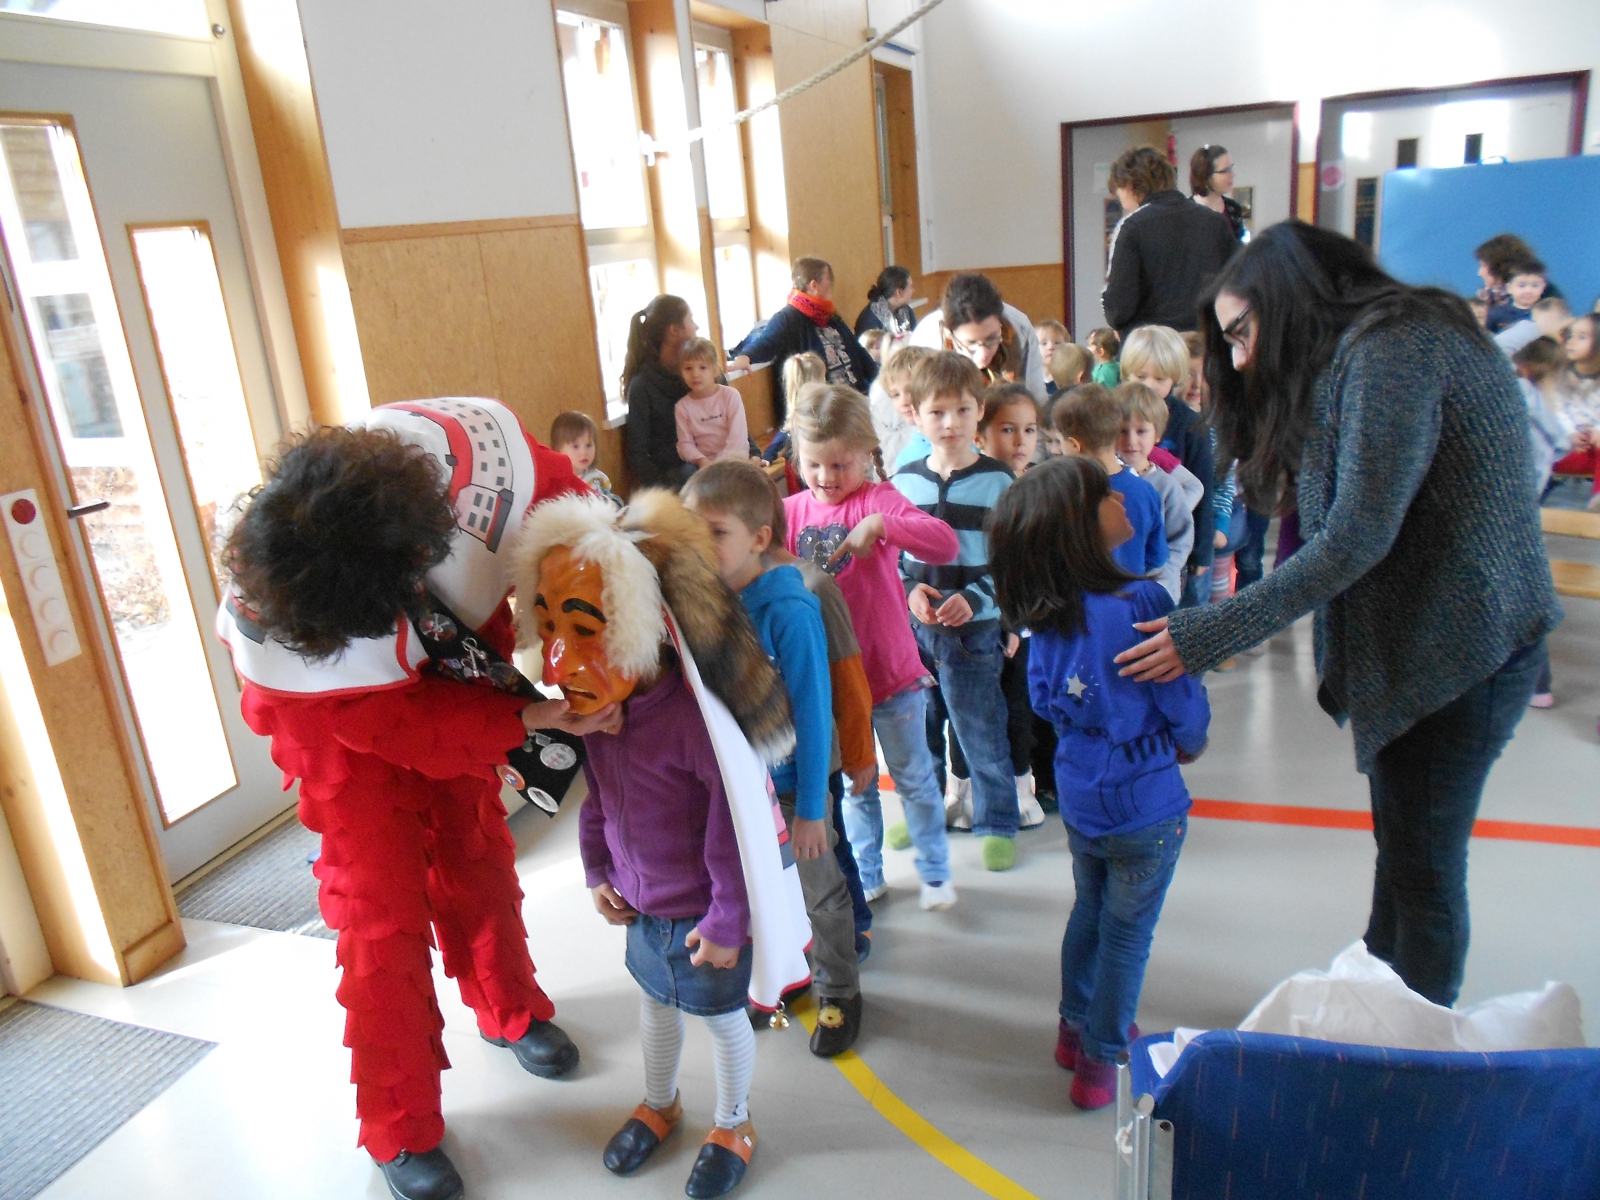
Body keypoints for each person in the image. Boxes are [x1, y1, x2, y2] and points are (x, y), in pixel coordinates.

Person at [1116, 222, 1561, 1009]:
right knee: (1407, 856)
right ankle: (1385, 1002)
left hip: (1464, 651)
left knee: (1423, 870)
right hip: (1436, 643)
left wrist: (1207, 631)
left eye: (1243, 333)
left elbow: (1355, 536)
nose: (1239, 357)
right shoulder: (1365, 351)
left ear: (1292, 300)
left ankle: (1417, 1046)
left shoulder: (1394, 349)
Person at [216, 403, 600, 1200]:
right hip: (339, 732)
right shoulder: (273, 615)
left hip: (455, 667)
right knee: (381, 911)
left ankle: (508, 1007)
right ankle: (399, 1122)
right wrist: (522, 720)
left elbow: (593, 540)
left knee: (475, 851)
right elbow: (388, 723)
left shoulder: (493, 469)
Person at [517, 490, 810, 1200]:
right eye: (550, 627)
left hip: (703, 919)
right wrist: (597, 870)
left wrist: (728, 922)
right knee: (653, 1008)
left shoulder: (692, 722)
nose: (556, 662)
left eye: (584, 629)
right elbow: (597, 799)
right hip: (643, 909)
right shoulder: (604, 718)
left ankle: (734, 1123)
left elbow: (732, 833)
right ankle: (660, 1103)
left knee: (723, 1021)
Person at [988, 456, 1209, 1111]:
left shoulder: (1044, 614)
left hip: (1082, 793)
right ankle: (1100, 1060)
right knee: (1127, 934)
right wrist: (1192, 740)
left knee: (1090, 910)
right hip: (1147, 799)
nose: (1123, 497)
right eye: (1106, 495)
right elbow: (1179, 697)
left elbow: (1041, 698)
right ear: (1080, 527)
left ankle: (1073, 1030)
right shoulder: (1144, 601)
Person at [683, 462, 867, 1055]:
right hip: (742, 787)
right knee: (764, 886)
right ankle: (788, 973)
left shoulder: (789, 609)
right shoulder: (706, 599)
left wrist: (811, 809)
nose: (700, 545)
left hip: (792, 785)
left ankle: (839, 989)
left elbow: (814, 715)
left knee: (820, 889)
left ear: (760, 538)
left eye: (716, 533)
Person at [782, 383, 961, 910]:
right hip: (834, 683)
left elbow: (944, 542)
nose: (826, 477)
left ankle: (934, 872)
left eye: (840, 465)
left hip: (890, 674)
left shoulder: (876, 500)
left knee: (914, 780)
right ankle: (868, 872)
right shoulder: (789, 512)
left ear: (865, 454)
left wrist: (882, 525)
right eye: (814, 464)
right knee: (857, 785)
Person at [892, 354, 1024, 871]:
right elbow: (893, 558)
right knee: (918, 730)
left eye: (963, 410)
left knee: (980, 730)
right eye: (937, 412)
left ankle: (997, 820)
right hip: (914, 635)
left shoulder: (999, 482)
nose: (950, 423)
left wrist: (977, 599)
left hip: (974, 634)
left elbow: (1015, 563)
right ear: (915, 415)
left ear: (980, 410)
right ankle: (923, 814)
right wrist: (909, 591)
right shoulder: (903, 481)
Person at [1119, 326, 1216, 605]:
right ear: (1126, 374)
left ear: (1174, 378)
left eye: (1159, 378)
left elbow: (1203, 487)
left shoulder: (1190, 424)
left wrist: (1201, 551)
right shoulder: (1113, 411)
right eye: (1140, 376)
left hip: (1173, 543)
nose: (1149, 385)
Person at [1102, 145, 1238, 338]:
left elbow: (1119, 308)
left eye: (1119, 193)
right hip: (1207, 341)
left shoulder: (1133, 228)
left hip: (1156, 345)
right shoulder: (1215, 222)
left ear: (1130, 186)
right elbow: (1237, 284)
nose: (1121, 201)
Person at [730, 257, 878, 427]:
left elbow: (857, 351)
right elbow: (766, 343)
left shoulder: (830, 315)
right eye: (828, 279)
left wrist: (879, 381)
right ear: (814, 285)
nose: (831, 284)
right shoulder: (787, 318)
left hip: (855, 397)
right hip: (824, 407)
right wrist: (745, 356)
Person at [1511, 336, 1574, 711]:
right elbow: (1561, 443)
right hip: (1520, 509)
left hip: (1506, 510)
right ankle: (1538, 685)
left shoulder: (1522, 392)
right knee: (1523, 596)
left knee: (1518, 598)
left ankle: (1537, 683)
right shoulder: (1539, 398)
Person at [1053, 384, 1166, 581]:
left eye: (1060, 442)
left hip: (1079, 596)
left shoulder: (1062, 492)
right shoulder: (1146, 491)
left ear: (1074, 444)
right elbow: (1157, 556)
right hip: (1130, 592)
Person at [1117, 381, 1201, 604]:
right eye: (1122, 431)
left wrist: (1160, 578)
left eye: (1141, 431)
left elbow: (1180, 540)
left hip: (1157, 592)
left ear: (1157, 434)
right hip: (1115, 592)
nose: (1131, 441)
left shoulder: (1167, 487)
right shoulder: (1105, 481)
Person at [910, 271, 1049, 403]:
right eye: (971, 343)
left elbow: (1036, 396)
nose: (983, 354)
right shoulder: (925, 341)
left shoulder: (1020, 328)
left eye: (991, 339)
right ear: (949, 333)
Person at [624, 295, 698, 489]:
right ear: (674, 331)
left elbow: (732, 418)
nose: (696, 327)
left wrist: (755, 455)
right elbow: (638, 455)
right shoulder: (642, 385)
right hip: (677, 479)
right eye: (691, 320)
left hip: (712, 464)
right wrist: (668, 493)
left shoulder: (702, 371)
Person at [1549, 312, 1600, 510]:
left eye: (1582, 337)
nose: (1571, 342)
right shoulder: (1559, 375)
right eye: (1570, 336)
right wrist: (1571, 433)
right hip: (1568, 448)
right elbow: (1558, 411)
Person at [675, 337, 750, 470]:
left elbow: (738, 438)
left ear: (715, 370)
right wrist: (702, 460)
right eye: (688, 368)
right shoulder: (682, 407)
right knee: (686, 472)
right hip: (704, 464)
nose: (695, 374)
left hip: (734, 460)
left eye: (703, 367)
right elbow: (685, 444)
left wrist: (719, 464)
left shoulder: (730, 396)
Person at [871, 344, 936, 468]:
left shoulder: (961, 441)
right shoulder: (906, 459)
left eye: (911, 391)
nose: (903, 402)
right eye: (896, 395)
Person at [552, 410, 622, 507]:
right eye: (576, 446)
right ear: (558, 449)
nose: (584, 452)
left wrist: (615, 504)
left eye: (588, 445)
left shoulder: (598, 478)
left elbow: (611, 497)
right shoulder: (557, 484)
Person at [1190, 144, 1250, 244]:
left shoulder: (1233, 208)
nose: (1232, 175)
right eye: (1226, 171)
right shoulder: (1187, 212)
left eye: (1231, 169)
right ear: (1206, 175)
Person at [854, 265, 916, 340]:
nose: (913, 290)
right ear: (899, 292)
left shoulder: (907, 311)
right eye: (911, 287)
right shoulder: (869, 320)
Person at [1485, 261, 1547, 336]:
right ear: (1509, 288)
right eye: (1521, 286)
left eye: (1535, 285)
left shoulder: (1547, 314)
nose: (1528, 291)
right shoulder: (1497, 313)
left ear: (1543, 287)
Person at [1036, 320, 1069, 396]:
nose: (1050, 347)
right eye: (1044, 343)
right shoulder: (1029, 381)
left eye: (1057, 343)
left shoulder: (1069, 381)